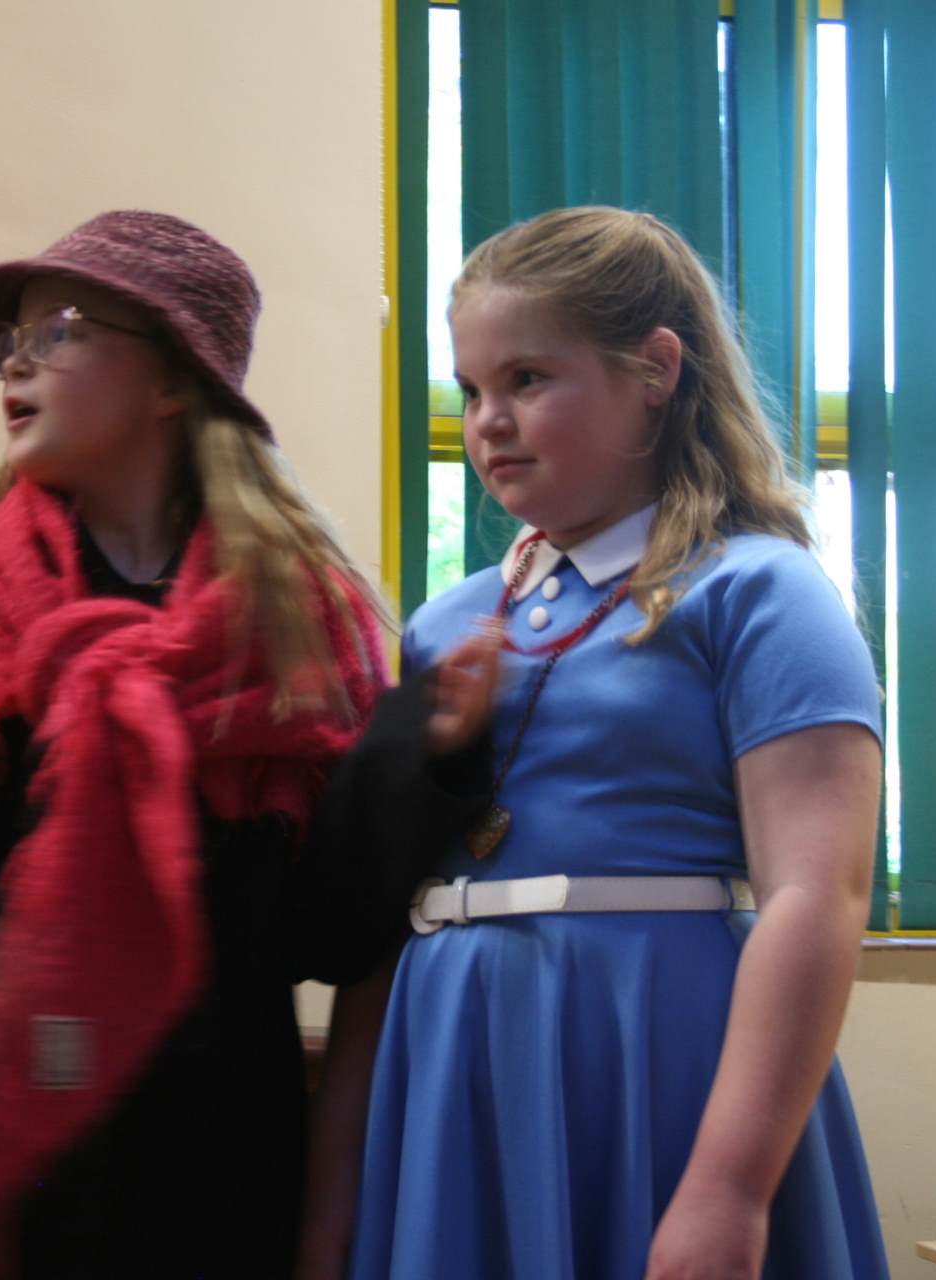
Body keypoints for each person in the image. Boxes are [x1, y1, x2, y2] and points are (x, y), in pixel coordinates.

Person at [0, 210, 490, 1279]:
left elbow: (326, 934)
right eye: (7, 341)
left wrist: (423, 759)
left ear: (170, 380)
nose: (15, 361)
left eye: (58, 330)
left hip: (209, 1174)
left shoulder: (297, 619)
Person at [311, 206, 890, 1280]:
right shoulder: (446, 626)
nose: (489, 421)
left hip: (656, 1063)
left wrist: (729, 1187)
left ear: (656, 370)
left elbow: (818, 894)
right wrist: (337, 1180)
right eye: (471, 388)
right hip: (456, 1072)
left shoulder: (759, 592)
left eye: (528, 378)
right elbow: (385, 919)